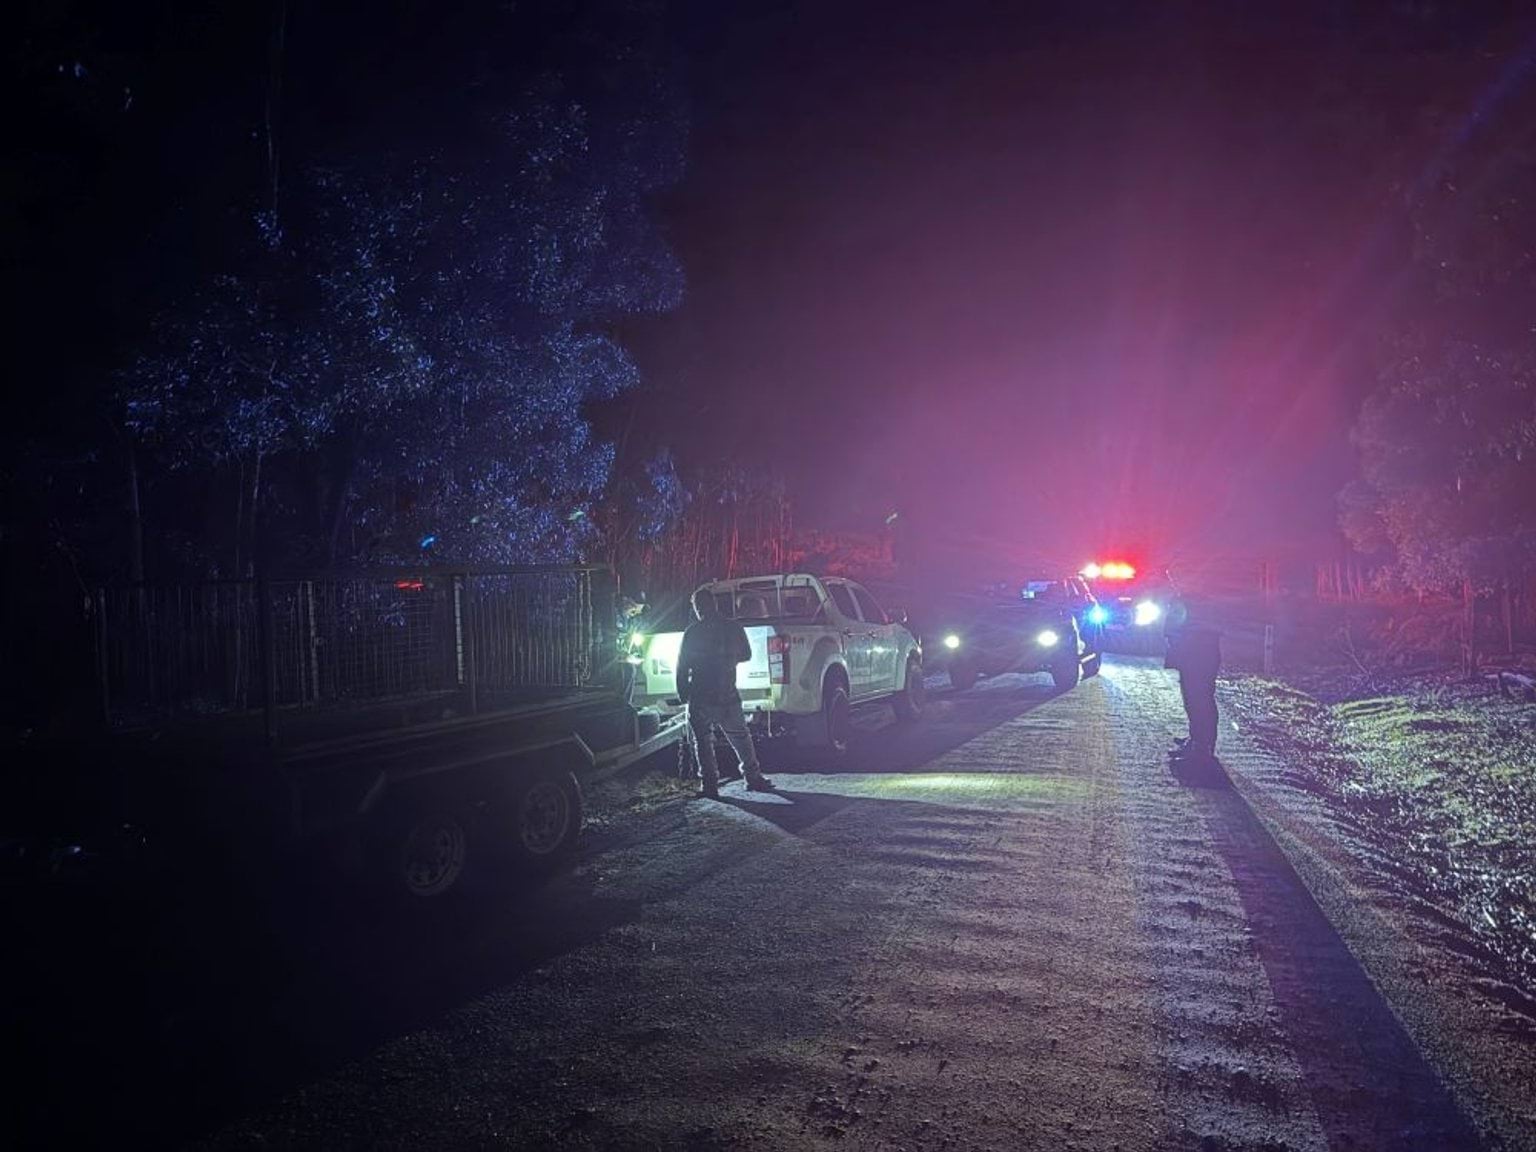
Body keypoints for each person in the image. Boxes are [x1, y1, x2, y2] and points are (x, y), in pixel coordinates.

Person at [677, 588, 774, 798]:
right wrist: (728, 660)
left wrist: (683, 694)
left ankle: (710, 785)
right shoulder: (733, 627)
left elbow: (682, 666)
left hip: (701, 696)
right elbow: (747, 654)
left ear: (698, 608)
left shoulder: (693, 632)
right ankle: (753, 777)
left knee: (703, 743)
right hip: (728, 693)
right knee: (741, 737)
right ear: (715, 604)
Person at [1163, 577, 1222, 763]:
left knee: (1199, 701)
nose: (1174, 582)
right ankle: (1196, 740)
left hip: (1198, 655)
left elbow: (1186, 624)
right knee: (1192, 699)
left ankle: (1202, 747)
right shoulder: (1189, 599)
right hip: (1192, 654)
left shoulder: (1199, 601)